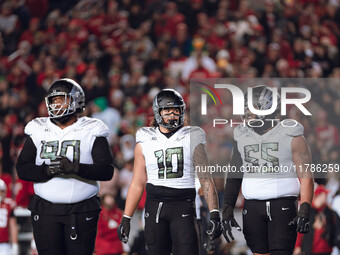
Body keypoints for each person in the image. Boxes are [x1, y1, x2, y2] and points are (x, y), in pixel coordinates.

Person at [16, 78, 114, 255]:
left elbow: (106, 170)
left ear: (76, 101)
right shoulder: (38, 129)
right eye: (53, 100)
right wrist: (46, 171)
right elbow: (22, 168)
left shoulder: (92, 128)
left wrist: (75, 168)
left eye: (62, 99)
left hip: (82, 209)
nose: (56, 104)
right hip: (45, 209)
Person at [117, 89, 221, 255]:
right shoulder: (145, 139)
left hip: (184, 205)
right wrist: (126, 217)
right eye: (168, 110)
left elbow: (205, 179)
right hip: (155, 206)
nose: (173, 114)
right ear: (158, 112)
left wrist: (214, 213)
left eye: (176, 110)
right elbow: (137, 182)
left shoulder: (192, 136)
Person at [222, 85, 314, 254]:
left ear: (268, 107)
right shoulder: (242, 134)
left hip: (282, 206)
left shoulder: (290, 133)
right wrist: (227, 206)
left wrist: (305, 207)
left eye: (252, 106)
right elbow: (235, 174)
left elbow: (306, 175)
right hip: (252, 208)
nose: (246, 111)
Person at [0, 179, 18, 255]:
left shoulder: (8, 204)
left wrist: (14, 245)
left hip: (4, 244)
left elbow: (13, 226)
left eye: (1, 191)